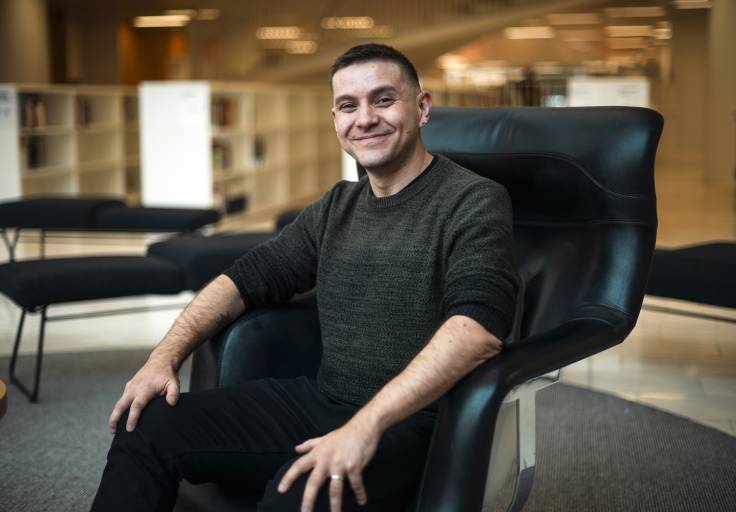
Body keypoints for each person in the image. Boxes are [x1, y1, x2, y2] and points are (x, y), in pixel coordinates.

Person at [91, 43, 520, 512]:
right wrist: (163, 357)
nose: (365, 119)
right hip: (321, 403)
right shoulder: (337, 206)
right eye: (348, 106)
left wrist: (365, 426)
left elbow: (477, 330)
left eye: (383, 99)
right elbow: (242, 280)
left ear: (421, 107)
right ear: (335, 119)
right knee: (147, 424)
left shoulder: (474, 200)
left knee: (296, 496)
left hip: (415, 425)